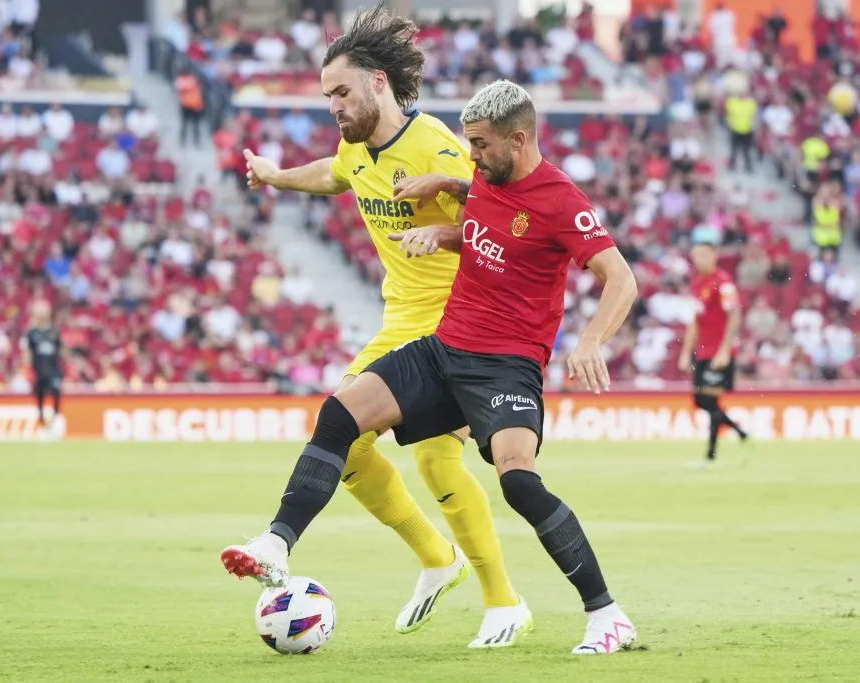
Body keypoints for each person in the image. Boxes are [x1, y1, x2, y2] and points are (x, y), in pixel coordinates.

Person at [223, 79, 640, 654]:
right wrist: (444, 216)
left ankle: (607, 615)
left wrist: (592, 341)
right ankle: (276, 541)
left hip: (506, 366)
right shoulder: (484, 181)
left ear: (518, 141)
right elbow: (484, 234)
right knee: (341, 414)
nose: (471, 155)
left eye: (480, 145)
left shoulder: (560, 200)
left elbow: (622, 277)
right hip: (443, 351)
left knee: (518, 481)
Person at [228, 6, 527, 647]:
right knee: (359, 445)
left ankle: (499, 597)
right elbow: (336, 174)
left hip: (455, 325)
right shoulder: (357, 147)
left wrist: (446, 220)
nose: (333, 105)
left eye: (341, 91)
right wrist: (278, 175)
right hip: (400, 324)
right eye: (326, 96)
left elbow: (506, 224)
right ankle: (443, 563)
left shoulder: (440, 146)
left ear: (379, 84)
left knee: (427, 457)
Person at [678, 237, 748, 465]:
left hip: (719, 352)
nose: (699, 260)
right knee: (702, 400)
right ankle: (739, 433)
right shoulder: (697, 285)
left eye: (704, 255)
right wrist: (686, 352)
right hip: (703, 351)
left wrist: (725, 350)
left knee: (709, 400)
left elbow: (735, 315)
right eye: (696, 256)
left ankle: (711, 455)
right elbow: (694, 322)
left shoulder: (723, 282)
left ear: (714, 256)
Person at [22, 300, 62, 432]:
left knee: (56, 392)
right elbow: (27, 353)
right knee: (40, 396)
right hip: (39, 370)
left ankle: (55, 418)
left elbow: (61, 351)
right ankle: (42, 422)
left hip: (53, 370)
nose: (43, 313)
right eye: (40, 311)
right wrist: (27, 371)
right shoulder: (31, 333)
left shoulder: (54, 331)